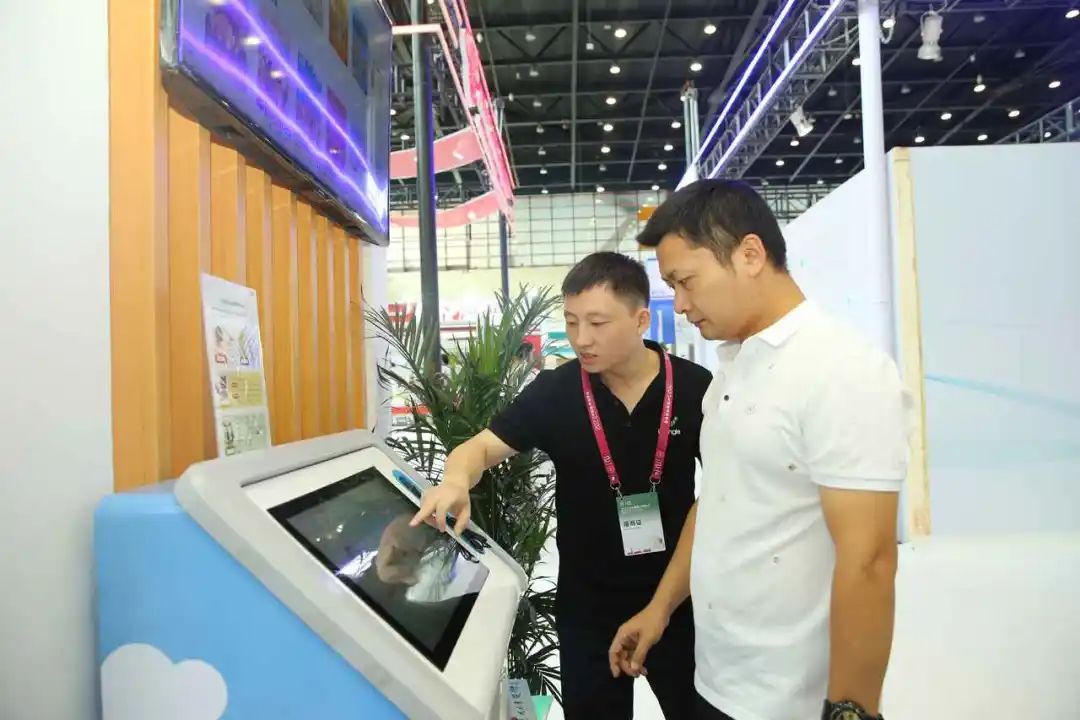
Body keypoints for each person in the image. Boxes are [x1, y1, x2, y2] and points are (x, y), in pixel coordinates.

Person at [608, 180, 913, 720]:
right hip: (718, 676)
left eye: (686, 282)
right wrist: (660, 608)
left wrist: (850, 711)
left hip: (790, 698)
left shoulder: (840, 371)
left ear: (750, 254)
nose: (680, 305)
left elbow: (868, 561)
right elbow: (719, 501)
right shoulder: (733, 368)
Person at [411, 252, 713, 719]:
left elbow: (723, 494)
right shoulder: (558, 391)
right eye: (571, 322)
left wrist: (665, 606)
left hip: (679, 602)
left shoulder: (695, 387)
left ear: (640, 320)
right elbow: (480, 449)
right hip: (588, 609)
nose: (580, 339)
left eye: (596, 323)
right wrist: (454, 481)